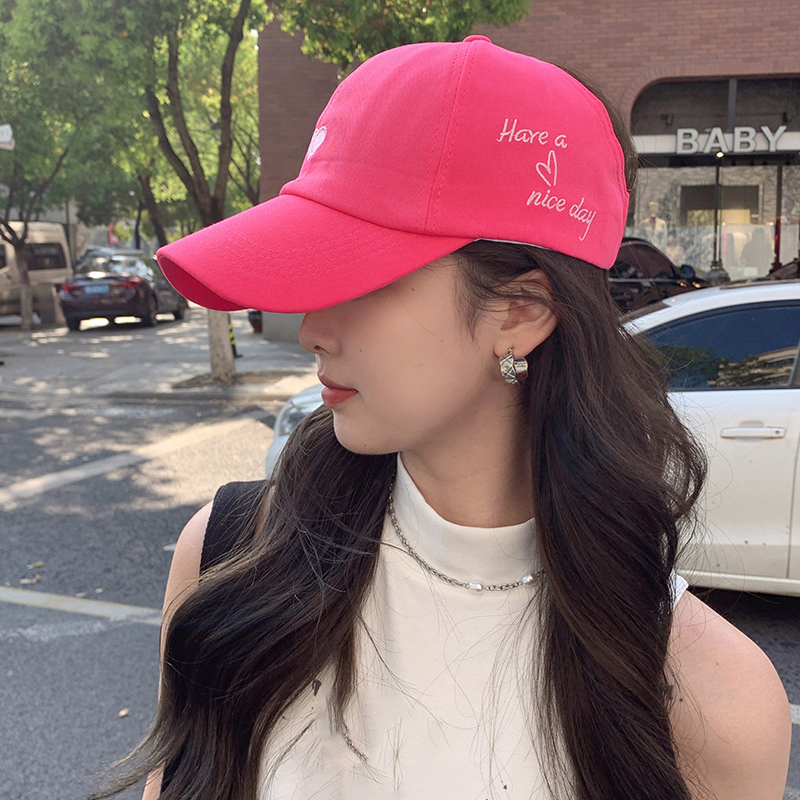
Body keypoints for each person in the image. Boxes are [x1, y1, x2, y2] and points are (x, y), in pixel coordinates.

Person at [96, 37, 791, 800]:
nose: (312, 329)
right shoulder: (231, 562)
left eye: (361, 275)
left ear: (522, 312)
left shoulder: (713, 704)